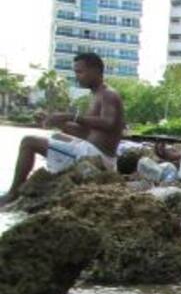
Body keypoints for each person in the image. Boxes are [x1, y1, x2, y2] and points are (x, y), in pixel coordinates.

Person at [1, 52, 124, 205]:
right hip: (90, 150)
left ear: (96, 70)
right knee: (56, 136)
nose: (77, 76)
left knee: (28, 142)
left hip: (97, 158)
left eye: (80, 72)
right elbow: (86, 133)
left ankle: (13, 193)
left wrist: (70, 116)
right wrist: (55, 122)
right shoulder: (97, 95)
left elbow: (109, 122)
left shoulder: (108, 94)